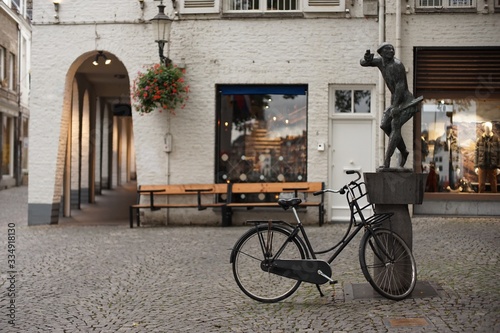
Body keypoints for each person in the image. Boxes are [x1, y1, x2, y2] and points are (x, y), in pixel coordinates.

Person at [360, 43, 423, 169]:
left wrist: (395, 107)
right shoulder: (380, 62)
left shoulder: (397, 65)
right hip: (396, 101)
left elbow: (400, 87)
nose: (392, 50)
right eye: (388, 49)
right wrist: (366, 58)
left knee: (395, 125)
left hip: (406, 102)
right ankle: (404, 150)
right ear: (381, 52)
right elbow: (363, 63)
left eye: (392, 49)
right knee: (384, 125)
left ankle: (387, 161)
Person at [475, 121, 499, 193]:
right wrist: (476, 166)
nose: (488, 129)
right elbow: (476, 153)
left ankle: (495, 202)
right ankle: (479, 202)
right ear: (484, 129)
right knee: (481, 186)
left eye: (489, 128)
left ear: (491, 129)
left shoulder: (496, 139)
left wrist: (498, 166)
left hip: (493, 166)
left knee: (494, 186)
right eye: (486, 128)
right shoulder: (479, 139)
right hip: (482, 165)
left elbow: (499, 153)